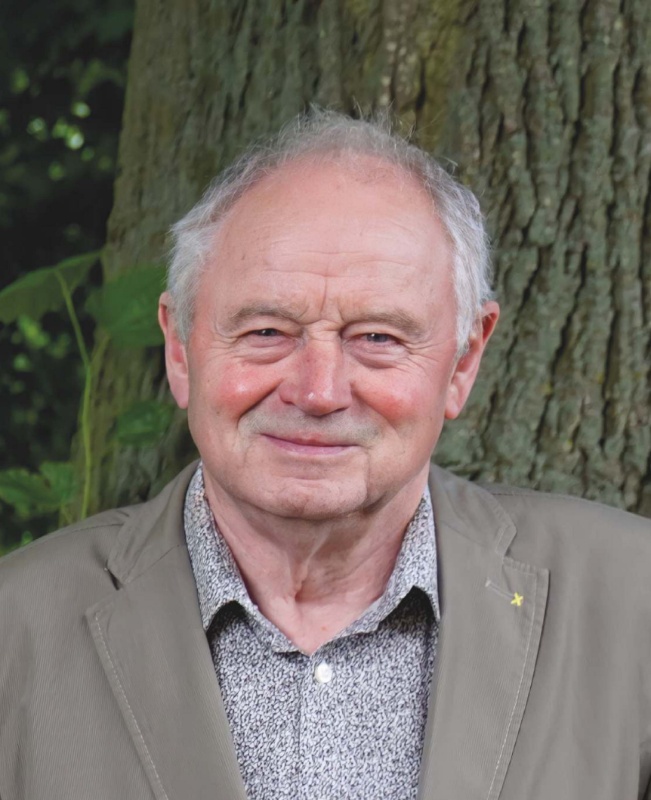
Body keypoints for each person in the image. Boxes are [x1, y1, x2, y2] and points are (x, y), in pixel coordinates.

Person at [1, 111, 650, 800]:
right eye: (266, 331)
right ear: (181, 349)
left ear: (463, 362)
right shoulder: (16, 628)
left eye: (377, 338)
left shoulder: (633, 602)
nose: (318, 392)